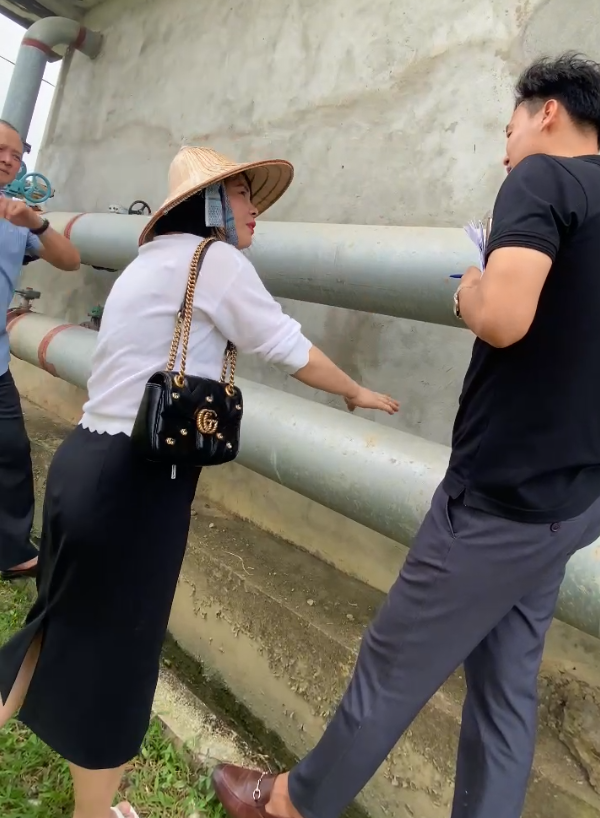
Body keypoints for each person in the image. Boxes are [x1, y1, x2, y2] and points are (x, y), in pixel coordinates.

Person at [212, 53, 600, 818]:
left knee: (393, 660)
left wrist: (468, 289)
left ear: (548, 111)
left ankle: (290, 803)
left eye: (510, 129)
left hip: (498, 500)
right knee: (506, 687)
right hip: (571, 501)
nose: (506, 151)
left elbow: (504, 318)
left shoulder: (543, 180)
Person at [0, 145, 399, 818]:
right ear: (211, 204)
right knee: (118, 658)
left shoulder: (147, 264)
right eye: (242, 196)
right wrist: (354, 390)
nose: (254, 211)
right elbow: (286, 345)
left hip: (85, 467)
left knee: (58, 624)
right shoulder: (214, 261)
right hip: (137, 486)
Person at [0, 119, 80, 582]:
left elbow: (70, 260)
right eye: (1, 150)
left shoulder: (17, 220)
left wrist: (38, 222)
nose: (9, 160)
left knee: (10, 450)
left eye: (17, 153)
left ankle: (12, 551)